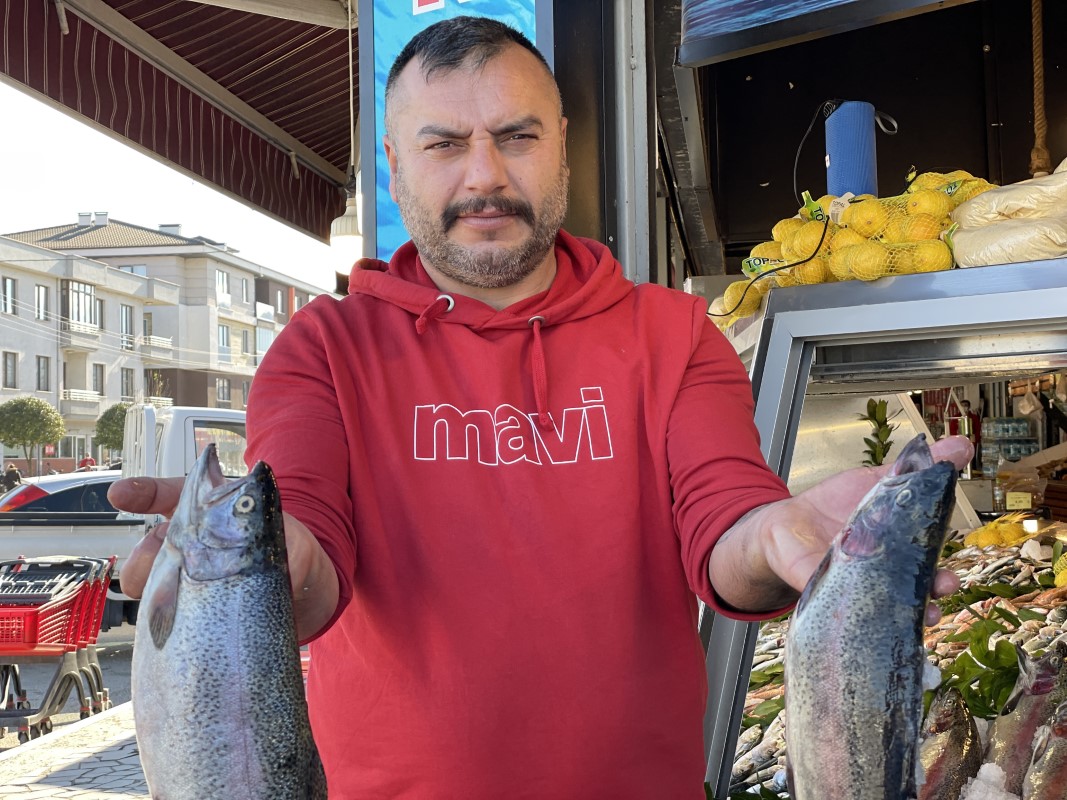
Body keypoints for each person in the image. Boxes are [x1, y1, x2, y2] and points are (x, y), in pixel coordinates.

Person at [109, 17, 972, 799]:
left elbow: (725, 518)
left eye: (516, 136)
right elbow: (304, 532)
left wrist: (782, 535)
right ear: (396, 165)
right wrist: (271, 560)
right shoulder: (321, 347)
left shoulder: (671, 332)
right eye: (445, 144)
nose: (485, 175)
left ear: (561, 145)